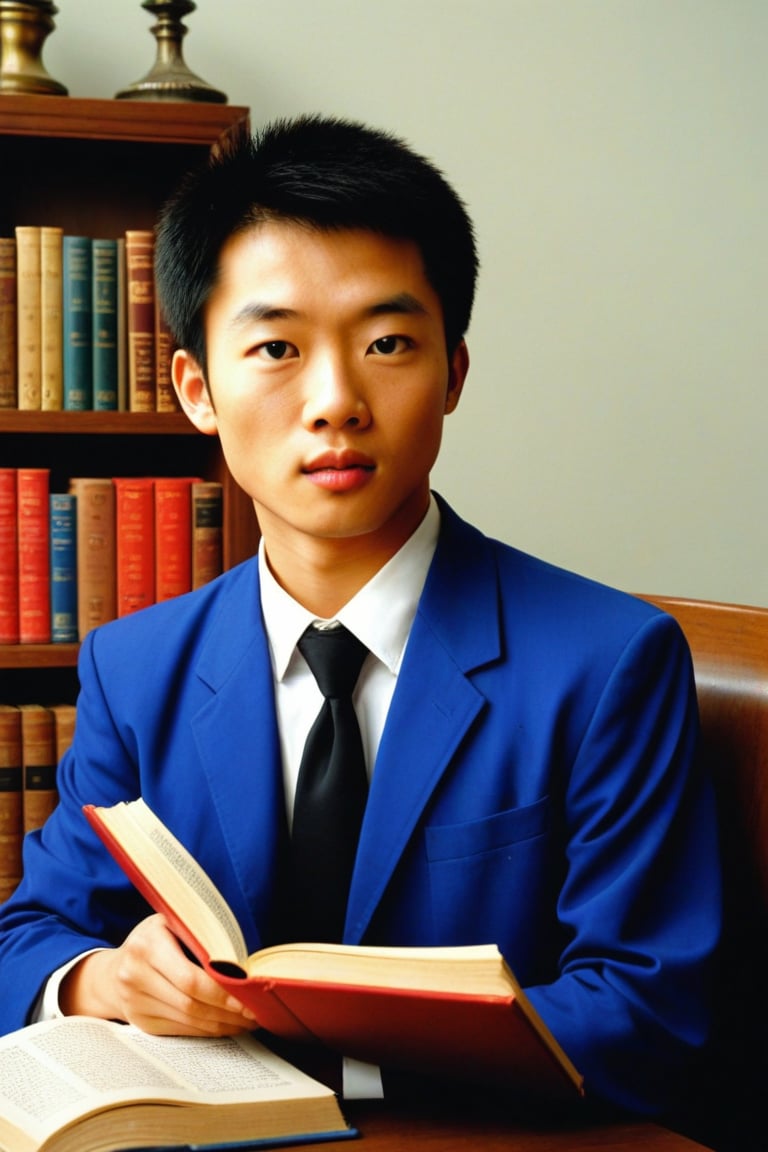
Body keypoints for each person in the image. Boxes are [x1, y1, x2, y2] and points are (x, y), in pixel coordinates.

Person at [0, 115, 720, 1120]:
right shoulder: (138, 666)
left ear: (453, 373)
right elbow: (29, 934)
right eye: (277, 347)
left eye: (386, 342)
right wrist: (101, 981)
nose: (335, 400)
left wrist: (343, 1056)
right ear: (198, 390)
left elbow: (652, 1010)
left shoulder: (607, 664)